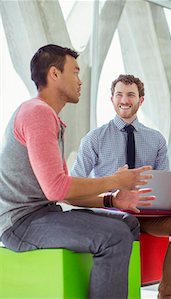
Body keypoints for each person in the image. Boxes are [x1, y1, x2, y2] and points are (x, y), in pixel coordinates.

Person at [0, 44, 154, 298]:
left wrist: (113, 199)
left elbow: (65, 193)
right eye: (75, 72)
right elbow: (57, 188)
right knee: (114, 236)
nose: (80, 81)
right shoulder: (37, 113)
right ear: (54, 74)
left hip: (43, 214)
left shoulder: (48, 117)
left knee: (127, 223)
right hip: (20, 223)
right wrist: (115, 180)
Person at [71, 74, 171, 299]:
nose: (124, 100)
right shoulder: (94, 138)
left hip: (147, 214)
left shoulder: (156, 140)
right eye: (119, 94)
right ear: (112, 99)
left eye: (130, 95)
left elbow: (165, 182)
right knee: (123, 226)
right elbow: (75, 181)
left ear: (141, 100)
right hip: (111, 212)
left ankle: (167, 295)